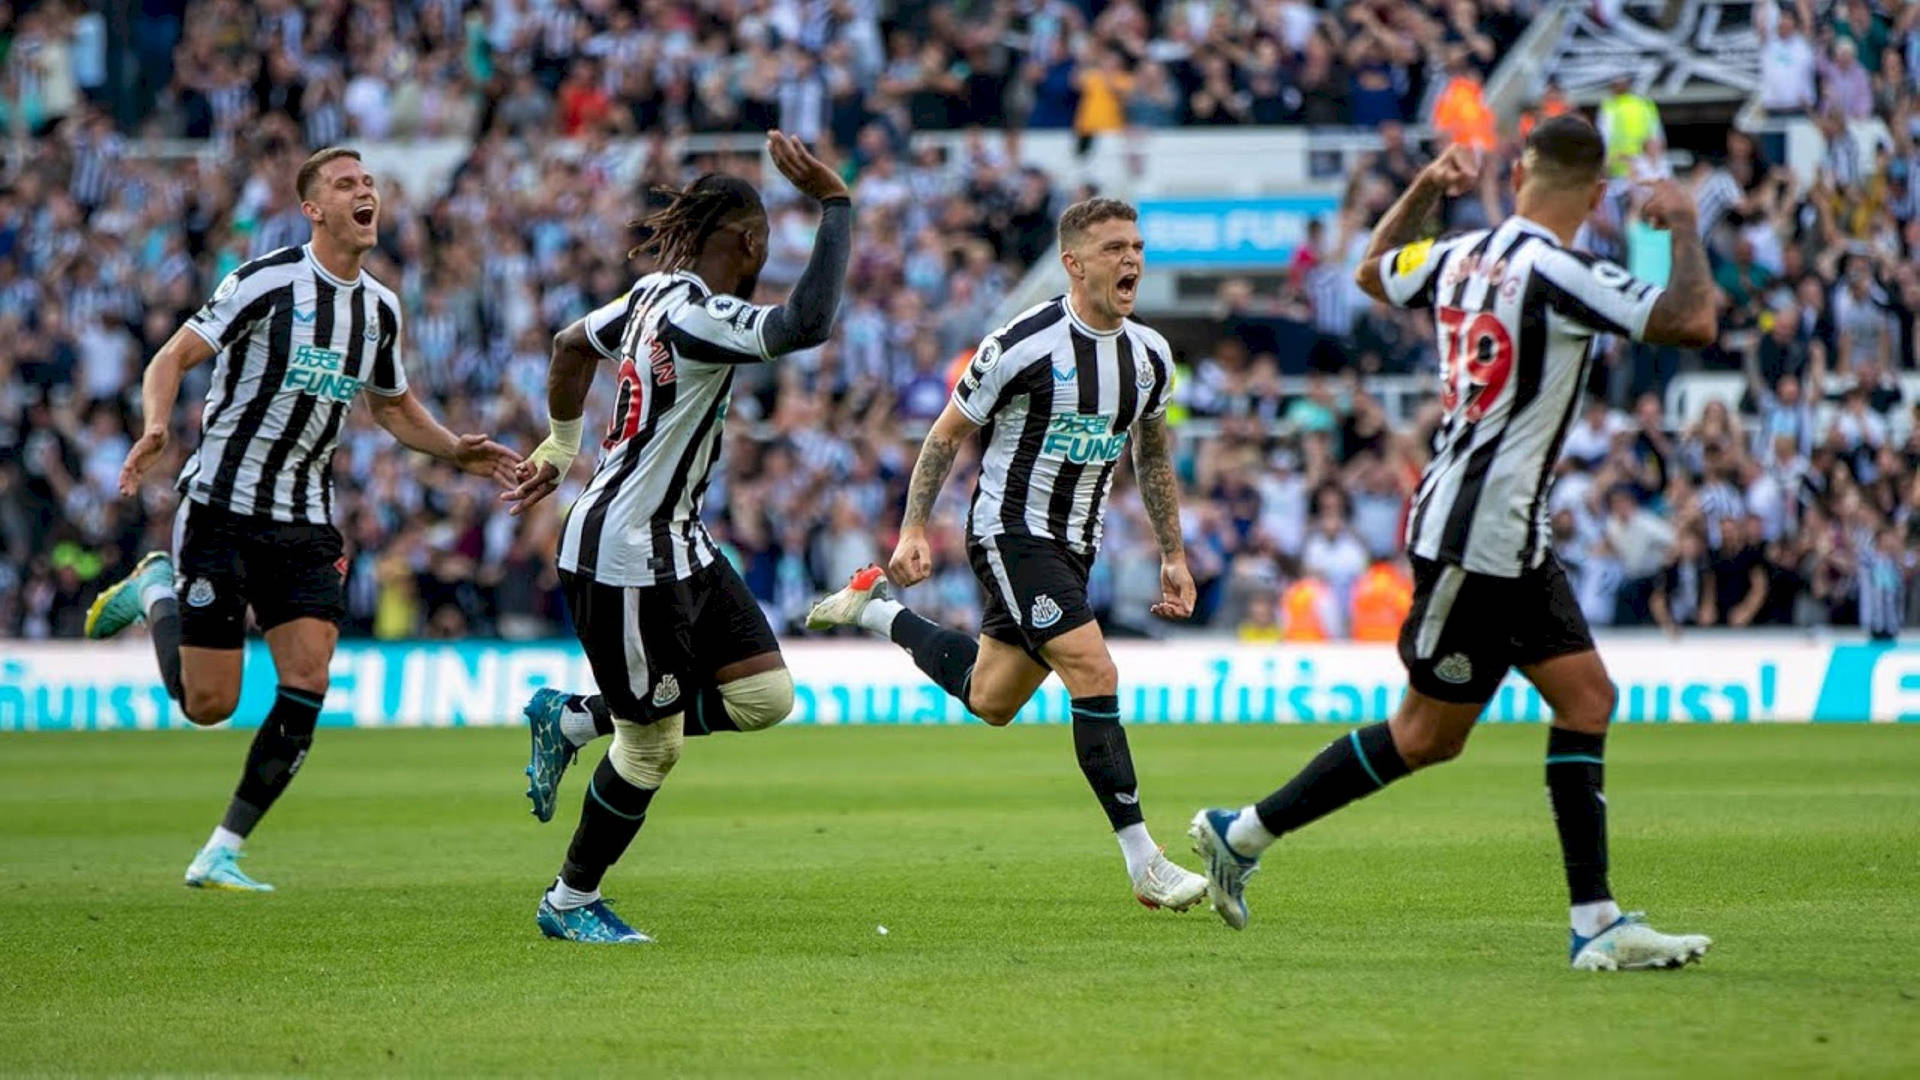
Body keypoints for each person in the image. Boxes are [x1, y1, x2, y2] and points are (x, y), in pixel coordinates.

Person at [1189, 116, 1716, 971]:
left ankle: (1596, 923)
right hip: (1477, 540)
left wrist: (1429, 187)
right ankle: (1239, 833)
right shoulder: (1563, 271)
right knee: (1428, 735)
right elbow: (1691, 320)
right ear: (1591, 196)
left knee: (1582, 701)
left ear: (1517, 177)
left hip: (1509, 534)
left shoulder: (1458, 254)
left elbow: (1368, 272)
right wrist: (1685, 225)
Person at [83, 147, 520, 892]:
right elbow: (170, 359)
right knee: (208, 705)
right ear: (313, 208)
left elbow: (389, 404)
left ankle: (222, 848)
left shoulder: (380, 307)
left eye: (370, 182)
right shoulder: (265, 282)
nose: (366, 192)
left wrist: (454, 450)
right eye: (346, 184)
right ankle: (157, 588)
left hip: (304, 518)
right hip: (222, 507)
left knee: (308, 678)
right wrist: (157, 426)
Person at [804, 197, 1209, 913]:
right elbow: (944, 435)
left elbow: (1152, 453)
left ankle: (875, 612)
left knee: (992, 699)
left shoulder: (1150, 356)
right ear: (1074, 263)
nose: (1133, 261)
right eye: (1115, 248)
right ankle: (1145, 860)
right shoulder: (1022, 343)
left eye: (1138, 246)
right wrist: (913, 529)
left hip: (1078, 543)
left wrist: (1172, 551)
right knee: (1094, 668)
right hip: (1011, 533)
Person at [497, 132, 852, 944]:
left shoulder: (649, 295)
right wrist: (836, 206)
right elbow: (807, 323)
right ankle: (570, 901)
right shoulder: (699, 315)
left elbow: (565, 346)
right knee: (652, 750)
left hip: (680, 541)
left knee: (765, 698)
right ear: (752, 243)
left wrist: (559, 444)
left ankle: (580, 719)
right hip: (624, 555)